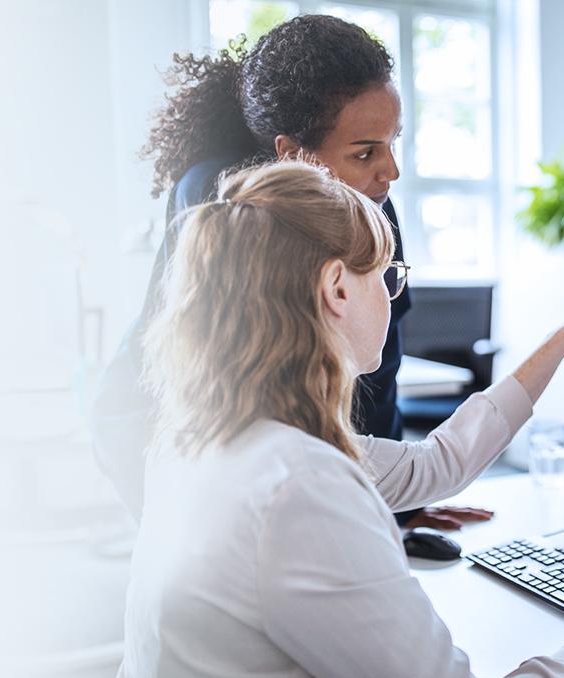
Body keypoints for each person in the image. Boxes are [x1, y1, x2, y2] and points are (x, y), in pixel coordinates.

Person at [108, 159, 564, 678]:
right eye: (387, 277)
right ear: (336, 287)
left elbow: (437, 463)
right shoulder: (299, 487)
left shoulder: (207, 437)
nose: (393, 298)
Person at [92, 14, 492, 537]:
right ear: (293, 153)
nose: (390, 170)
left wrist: (395, 505)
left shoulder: (372, 205)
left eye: (393, 141)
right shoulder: (218, 201)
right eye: (365, 151)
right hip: (157, 430)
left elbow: (378, 370)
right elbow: (234, 391)